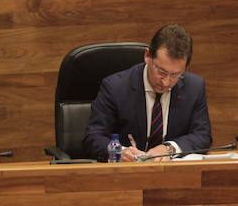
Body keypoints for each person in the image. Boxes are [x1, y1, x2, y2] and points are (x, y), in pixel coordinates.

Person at [83, 24, 211, 162]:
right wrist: (120, 152)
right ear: (147, 56)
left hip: (174, 175)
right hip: (126, 174)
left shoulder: (194, 87)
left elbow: (202, 135)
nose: (166, 82)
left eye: (175, 75)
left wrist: (170, 148)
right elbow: (93, 138)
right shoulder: (115, 87)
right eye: (161, 72)